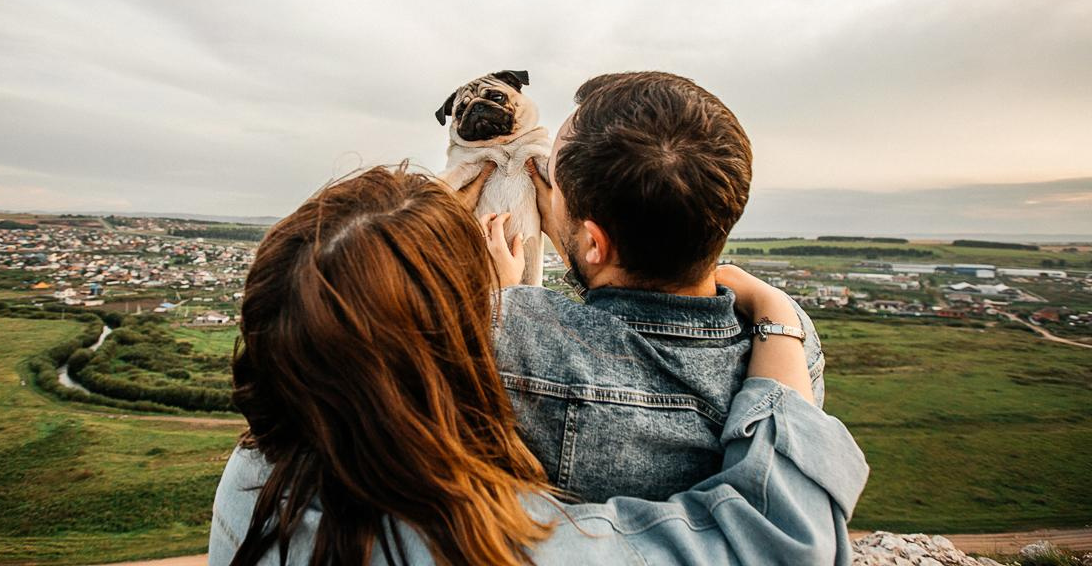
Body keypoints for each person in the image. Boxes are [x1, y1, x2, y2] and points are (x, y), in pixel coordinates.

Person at [209, 164, 867, 566]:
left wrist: (457, 284)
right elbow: (786, 543)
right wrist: (778, 316)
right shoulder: (493, 544)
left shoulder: (255, 477)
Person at [476, 70, 827, 502]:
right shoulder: (787, 338)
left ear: (595, 241)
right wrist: (583, 255)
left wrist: (500, 297)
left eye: (553, 179)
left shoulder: (510, 337)